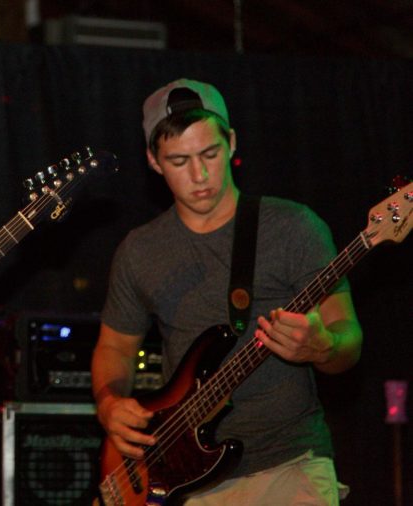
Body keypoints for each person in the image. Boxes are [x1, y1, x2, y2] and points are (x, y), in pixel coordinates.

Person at [91, 78, 362, 504]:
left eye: (210, 154)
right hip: (184, 479)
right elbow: (115, 349)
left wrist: (323, 346)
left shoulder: (294, 227)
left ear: (232, 143)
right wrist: (109, 405)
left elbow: (349, 338)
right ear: (153, 161)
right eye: (179, 161)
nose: (199, 175)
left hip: (289, 464)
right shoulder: (139, 251)